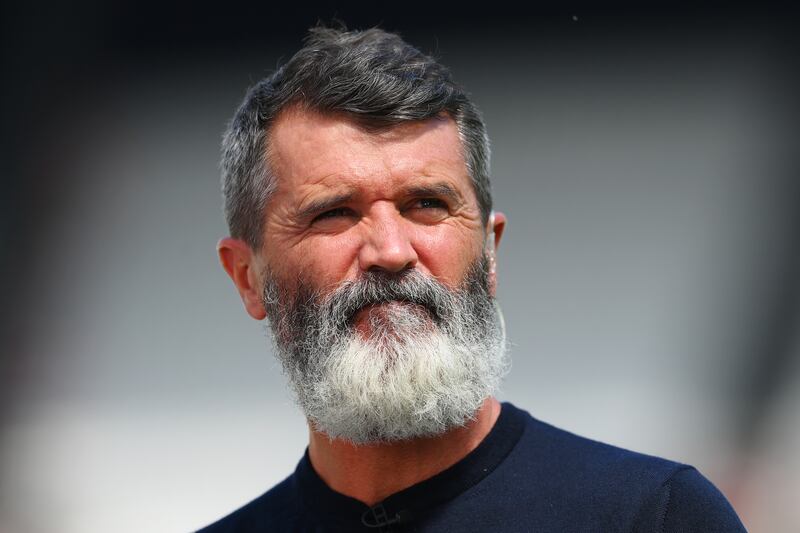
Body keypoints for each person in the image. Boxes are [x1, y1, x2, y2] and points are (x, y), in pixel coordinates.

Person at [201, 25, 746, 532]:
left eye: (426, 204)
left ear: (489, 252)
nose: (391, 251)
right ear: (247, 278)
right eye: (335, 213)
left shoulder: (655, 516)